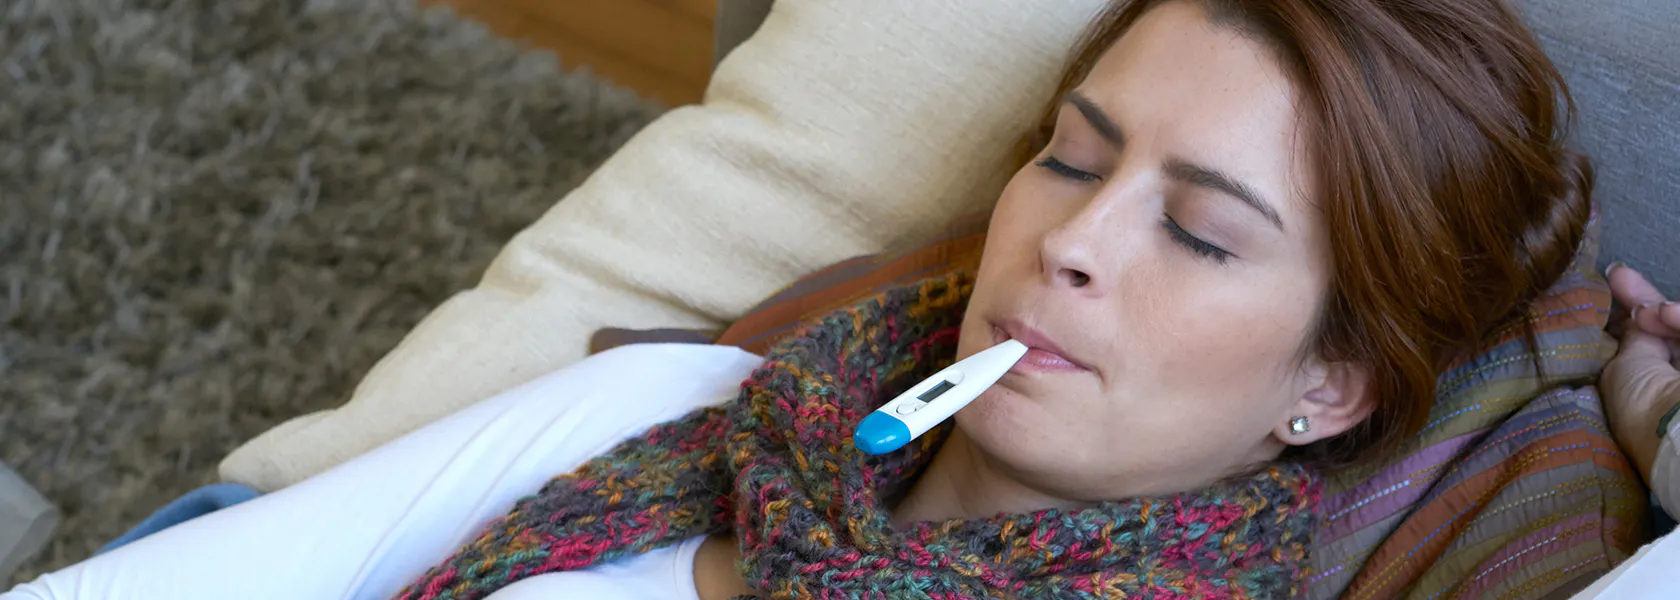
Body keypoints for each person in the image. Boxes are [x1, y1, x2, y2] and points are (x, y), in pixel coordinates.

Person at [5, 0, 1673, 598]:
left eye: (1206, 235)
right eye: (1075, 160)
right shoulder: (685, 417)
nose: (1073, 243)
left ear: (1332, 389)